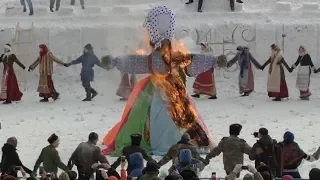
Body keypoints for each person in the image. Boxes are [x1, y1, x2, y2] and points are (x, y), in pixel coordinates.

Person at [102, 5, 218, 157]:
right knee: (182, 117)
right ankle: (183, 140)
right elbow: (193, 61)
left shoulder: (163, 58)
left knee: (154, 118)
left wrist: (115, 62)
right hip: (174, 90)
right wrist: (214, 61)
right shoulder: (173, 56)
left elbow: (137, 62)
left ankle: (162, 141)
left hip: (163, 91)